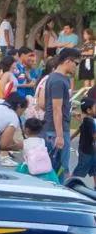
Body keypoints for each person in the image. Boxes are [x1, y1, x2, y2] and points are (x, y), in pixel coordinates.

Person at [43, 47, 80, 179]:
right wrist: (59, 136)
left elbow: (63, 105)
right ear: (68, 61)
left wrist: (72, 113)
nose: (76, 66)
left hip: (61, 127)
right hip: (55, 130)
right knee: (59, 170)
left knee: (61, 168)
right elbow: (56, 109)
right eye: (76, 63)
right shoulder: (57, 80)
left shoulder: (63, 79)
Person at [17, 117, 60, 183]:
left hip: (27, 167)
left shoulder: (23, 143)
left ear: (27, 129)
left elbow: (8, 146)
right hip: (43, 167)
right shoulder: (42, 141)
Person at [73, 99, 96, 182]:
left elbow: (79, 130)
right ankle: (72, 183)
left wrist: (70, 138)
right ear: (89, 110)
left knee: (94, 169)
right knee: (81, 169)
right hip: (86, 151)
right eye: (95, 108)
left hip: (89, 149)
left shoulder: (86, 120)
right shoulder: (90, 122)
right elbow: (94, 136)